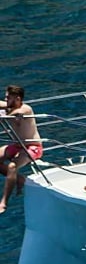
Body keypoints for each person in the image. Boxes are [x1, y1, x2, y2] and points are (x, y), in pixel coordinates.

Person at [0, 84, 41, 214]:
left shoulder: (25, 109)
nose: (6, 101)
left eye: (8, 98)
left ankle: (4, 202)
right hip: (17, 145)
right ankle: (19, 179)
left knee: (12, 166)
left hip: (33, 147)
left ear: (17, 99)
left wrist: (3, 112)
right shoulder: (10, 107)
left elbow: (15, 113)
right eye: (5, 98)